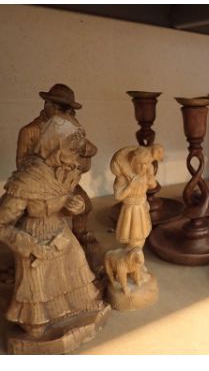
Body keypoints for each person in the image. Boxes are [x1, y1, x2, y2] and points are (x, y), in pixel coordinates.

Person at [0, 115, 104, 338]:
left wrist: (71, 207)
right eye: (71, 150)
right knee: (37, 285)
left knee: (76, 260)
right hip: (32, 236)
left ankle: (72, 309)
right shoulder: (27, 180)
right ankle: (34, 319)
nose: (75, 157)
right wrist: (30, 245)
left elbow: (58, 201)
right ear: (55, 148)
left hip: (58, 230)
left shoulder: (64, 171)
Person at [16, 84, 100, 270]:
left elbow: (85, 157)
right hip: (39, 189)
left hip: (64, 185)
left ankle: (81, 235)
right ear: (47, 104)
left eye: (66, 109)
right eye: (58, 107)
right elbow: (21, 165)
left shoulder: (68, 130)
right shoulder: (30, 131)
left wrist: (83, 154)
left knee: (84, 204)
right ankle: (41, 248)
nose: (63, 113)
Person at [110, 145, 163, 248]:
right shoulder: (123, 177)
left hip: (141, 206)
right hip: (130, 209)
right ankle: (131, 255)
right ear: (132, 162)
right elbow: (118, 195)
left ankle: (136, 255)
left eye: (146, 164)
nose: (143, 167)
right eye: (139, 164)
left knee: (141, 235)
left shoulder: (146, 173)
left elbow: (153, 185)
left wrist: (150, 176)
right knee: (132, 236)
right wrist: (130, 186)